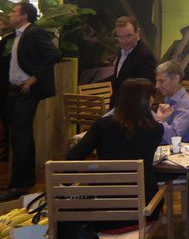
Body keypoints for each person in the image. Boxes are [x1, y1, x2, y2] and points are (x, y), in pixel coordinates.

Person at [66, 78, 163, 233]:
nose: (153, 99)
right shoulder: (156, 129)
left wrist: (67, 184)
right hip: (143, 212)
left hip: (102, 214)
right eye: (151, 96)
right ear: (144, 101)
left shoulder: (102, 125)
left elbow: (74, 156)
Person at [0, 3, 61, 201]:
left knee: (19, 136)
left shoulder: (34, 32)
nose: (9, 14)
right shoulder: (16, 35)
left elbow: (54, 54)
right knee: (22, 136)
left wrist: (35, 77)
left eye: (13, 12)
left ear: (24, 15)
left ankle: (18, 185)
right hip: (13, 90)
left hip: (26, 91)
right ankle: (25, 179)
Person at [110, 16, 156, 108]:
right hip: (117, 106)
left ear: (137, 33)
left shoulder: (144, 55)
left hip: (132, 109)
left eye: (128, 36)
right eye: (120, 37)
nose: (124, 41)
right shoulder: (122, 50)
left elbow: (148, 88)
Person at [155, 60, 189, 144]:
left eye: (161, 81)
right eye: (157, 81)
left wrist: (159, 122)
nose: (156, 86)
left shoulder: (186, 105)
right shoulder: (170, 100)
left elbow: (174, 138)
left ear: (176, 79)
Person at [0, 16, 14, 161]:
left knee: (7, 118)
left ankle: (7, 152)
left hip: (5, 84)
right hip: (6, 84)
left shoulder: (8, 40)